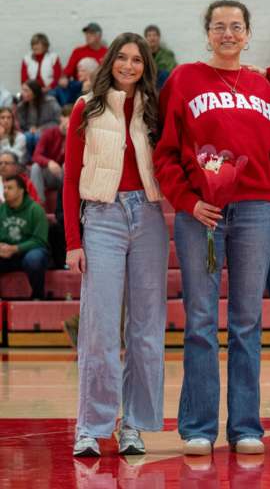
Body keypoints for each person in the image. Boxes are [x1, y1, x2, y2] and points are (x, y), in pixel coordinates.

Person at [154, 0, 270, 457]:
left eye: (236, 26)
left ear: (249, 33)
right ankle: (198, 427)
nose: (228, 33)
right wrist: (188, 202)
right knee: (202, 321)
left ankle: (246, 425)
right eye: (219, 26)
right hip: (200, 215)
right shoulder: (184, 79)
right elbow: (165, 151)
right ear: (207, 33)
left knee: (248, 321)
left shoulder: (264, 85)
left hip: (255, 209)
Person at [64, 32, 168, 458]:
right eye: (122, 58)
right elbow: (70, 179)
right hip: (102, 218)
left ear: (146, 66)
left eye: (137, 60)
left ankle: (135, 426)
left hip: (148, 216)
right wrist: (74, 241)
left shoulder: (155, 112)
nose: (129, 66)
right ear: (110, 62)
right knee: (100, 329)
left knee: (146, 331)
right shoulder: (85, 108)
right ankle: (91, 426)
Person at [0, 175, 49, 299]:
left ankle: (38, 296)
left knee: (34, 259)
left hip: (30, 252)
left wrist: (15, 248)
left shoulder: (36, 209)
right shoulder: (1, 210)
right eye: (4, 188)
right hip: (6, 255)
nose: (5, 191)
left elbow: (40, 240)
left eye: (10, 188)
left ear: (21, 190)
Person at [30, 104, 70, 202]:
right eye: (68, 117)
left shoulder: (76, 136)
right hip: (51, 173)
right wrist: (48, 163)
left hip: (66, 174)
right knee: (35, 167)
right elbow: (36, 155)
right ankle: (38, 204)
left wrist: (71, 136)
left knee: (66, 166)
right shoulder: (49, 133)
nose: (70, 120)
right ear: (61, 118)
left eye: (73, 118)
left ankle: (67, 204)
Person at [16, 79, 62, 159]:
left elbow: (58, 120)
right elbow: (22, 125)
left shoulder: (50, 102)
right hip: (30, 132)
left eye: (26, 90)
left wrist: (40, 129)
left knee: (38, 136)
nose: (22, 93)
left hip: (49, 131)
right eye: (22, 90)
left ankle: (41, 159)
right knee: (27, 137)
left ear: (34, 92)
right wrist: (31, 128)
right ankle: (29, 160)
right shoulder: (21, 106)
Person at [144, 24, 178, 89]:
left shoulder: (167, 54)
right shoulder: (142, 54)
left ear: (159, 37)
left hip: (163, 85)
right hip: (146, 84)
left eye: (154, 35)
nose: (152, 38)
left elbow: (172, 71)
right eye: (149, 35)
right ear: (145, 38)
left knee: (164, 74)